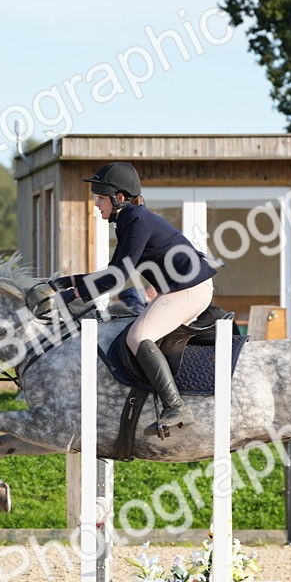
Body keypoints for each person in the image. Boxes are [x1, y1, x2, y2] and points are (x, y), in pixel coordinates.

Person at [27, 162, 219, 434]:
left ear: (119, 198)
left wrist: (69, 297)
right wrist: (64, 283)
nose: (96, 204)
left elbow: (115, 280)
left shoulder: (138, 222)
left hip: (188, 289)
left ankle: (176, 406)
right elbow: (112, 273)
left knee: (137, 337)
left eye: (100, 198)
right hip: (184, 288)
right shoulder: (130, 220)